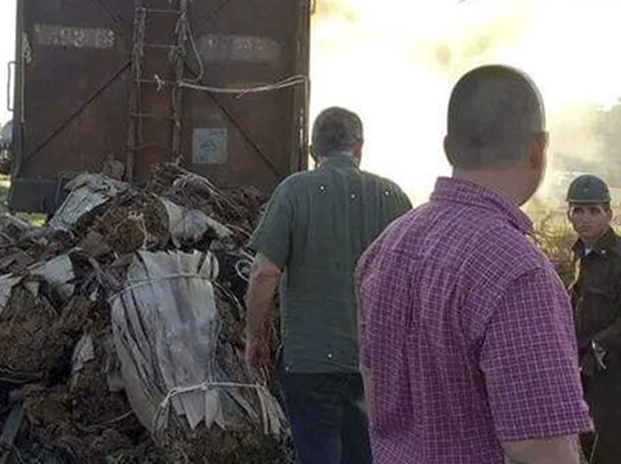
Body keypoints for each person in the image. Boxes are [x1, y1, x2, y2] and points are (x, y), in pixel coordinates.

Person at [357, 65, 591, 464]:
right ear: (538, 149)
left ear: (449, 148)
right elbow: (542, 449)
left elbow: (374, 388)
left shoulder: (385, 247)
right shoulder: (520, 272)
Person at [244, 107, 412, 463]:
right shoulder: (393, 197)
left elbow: (264, 273)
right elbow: (415, 280)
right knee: (365, 455)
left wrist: (254, 337)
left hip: (309, 362)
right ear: (359, 148)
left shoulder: (294, 191)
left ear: (311, 151)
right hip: (373, 362)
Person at [565, 174, 621, 463]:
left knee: (610, 448)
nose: (584, 218)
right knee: (583, 438)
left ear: (609, 214)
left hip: (613, 370)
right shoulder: (578, 254)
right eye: (578, 210)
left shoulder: (618, 258)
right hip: (583, 368)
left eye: (593, 210)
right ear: (569, 214)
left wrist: (601, 344)